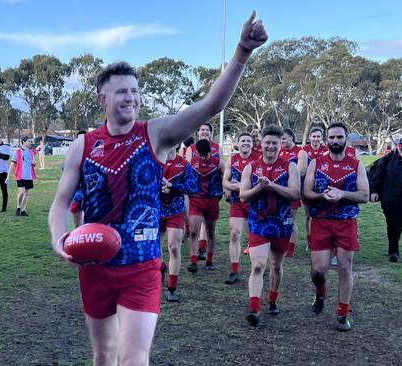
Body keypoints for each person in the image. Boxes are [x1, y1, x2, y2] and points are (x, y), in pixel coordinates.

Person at [48, 11, 267, 364]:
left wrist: (242, 51)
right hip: (95, 267)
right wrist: (59, 237)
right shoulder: (82, 146)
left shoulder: (156, 134)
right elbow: (60, 204)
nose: (131, 98)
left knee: (133, 357)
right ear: (102, 98)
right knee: (103, 355)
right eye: (122, 91)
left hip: (142, 267)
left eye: (135, 91)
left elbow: (211, 105)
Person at [303, 122, 369, 332]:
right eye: (331, 138)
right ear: (326, 140)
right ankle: (320, 294)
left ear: (346, 139)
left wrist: (343, 194)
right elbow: (306, 193)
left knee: (344, 268)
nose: (335, 141)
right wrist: (322, 195)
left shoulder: (355, 164)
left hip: (346, 222)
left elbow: (364, 195)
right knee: (319, 270)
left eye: (339, 137)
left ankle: (342, 314)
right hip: (321, 221)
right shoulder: (317, 163)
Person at [240, 125, 300, 327]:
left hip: (282, 223)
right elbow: (243, 195)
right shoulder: (251, 167)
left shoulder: (290, 166)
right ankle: (254, 308)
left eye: (275, 143)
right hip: (259, 222)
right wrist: (259, 187)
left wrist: (272, 185)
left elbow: (295, 194)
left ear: (280, 144)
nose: (271, 147)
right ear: (261, 143)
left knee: (276, 265)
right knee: (258, 265)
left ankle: (272, 300)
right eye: (268, 143)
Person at [161, 146, 198, 301]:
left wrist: (172, 187)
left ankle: (172, 287)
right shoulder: (155, 161)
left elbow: (192, 187)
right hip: (155, 210)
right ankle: (160, 267)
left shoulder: (184, 164)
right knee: (154, 251)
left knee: (174, 247)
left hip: (175, 211)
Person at [222, 132, 261, 284]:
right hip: (237, 202)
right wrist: (235, 187)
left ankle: (258, 266)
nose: (245, 143)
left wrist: (246, 189)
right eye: (242, 140)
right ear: (237, 144)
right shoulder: (232, 159)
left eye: (248, 141)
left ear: (252, 144)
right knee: (234, 233)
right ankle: (234, 270)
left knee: (255, 237)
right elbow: (225, 181)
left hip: (255, 202)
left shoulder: (259, 158)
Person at [369, 136, 402, 263]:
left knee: (398, 224)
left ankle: (394, 247)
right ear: (398, 147)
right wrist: (374, 191)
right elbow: (377, 174)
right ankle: (393, 251)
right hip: (387, 198)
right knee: (391, 223)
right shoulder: (388, 158)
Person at [186, 139, 225, 272]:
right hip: (196, 200)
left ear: (210, 152)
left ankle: (209, 260)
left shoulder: (218, 163)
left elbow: (226, 177)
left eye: (205, 155)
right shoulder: (192, 163)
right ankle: (193, 261)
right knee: (193, 231)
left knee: (210, 232)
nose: (203, 158)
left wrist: (225, 190)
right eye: (200, 155)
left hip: (212, 200)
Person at [278, 128, 308, 257]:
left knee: (291, 220)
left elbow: (301, 171)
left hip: (292, 191)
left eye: (284, 138)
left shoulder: (300, 153)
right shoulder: (278, 150)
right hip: (278, 190)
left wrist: (282, 176)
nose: (282, 141)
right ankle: (280, 243)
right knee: (279, 219)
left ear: (291, 137)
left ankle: (291, 247)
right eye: (280, 139)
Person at [8, 137, 36, 216]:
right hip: (20, 175)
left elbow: (33, 163)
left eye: (31, 141)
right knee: (22, 192)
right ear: (23, 142)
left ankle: (23, 210)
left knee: (26, 193)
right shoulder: (17, 152)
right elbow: (12, 164)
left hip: (29, 175)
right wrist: (8, 176)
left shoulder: (31, 152)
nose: (31, 142)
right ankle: (18, 207)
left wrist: (34, 163)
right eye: (29, 141)